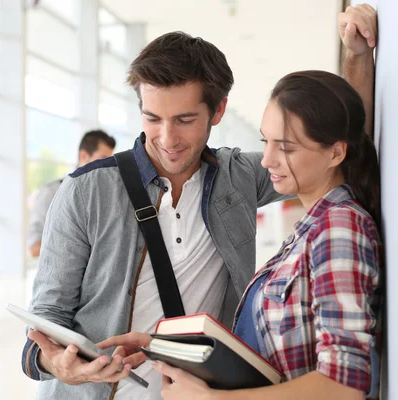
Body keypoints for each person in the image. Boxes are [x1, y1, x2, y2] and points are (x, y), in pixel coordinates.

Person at [22, 5, 378, 400]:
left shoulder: (239, 176)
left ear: (218, 110)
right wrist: (57, 363)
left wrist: (358, 58)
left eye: (185, 120)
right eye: (152, 118)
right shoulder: (85, 192)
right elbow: (45, 319)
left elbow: (335, 143)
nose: (167, 138)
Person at [27, 129, 116, 257]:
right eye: (102, 159)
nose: (108, 166)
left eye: (110, 160)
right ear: (83, 156)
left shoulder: (107, 195)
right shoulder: (51, 192)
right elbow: (34, 248)